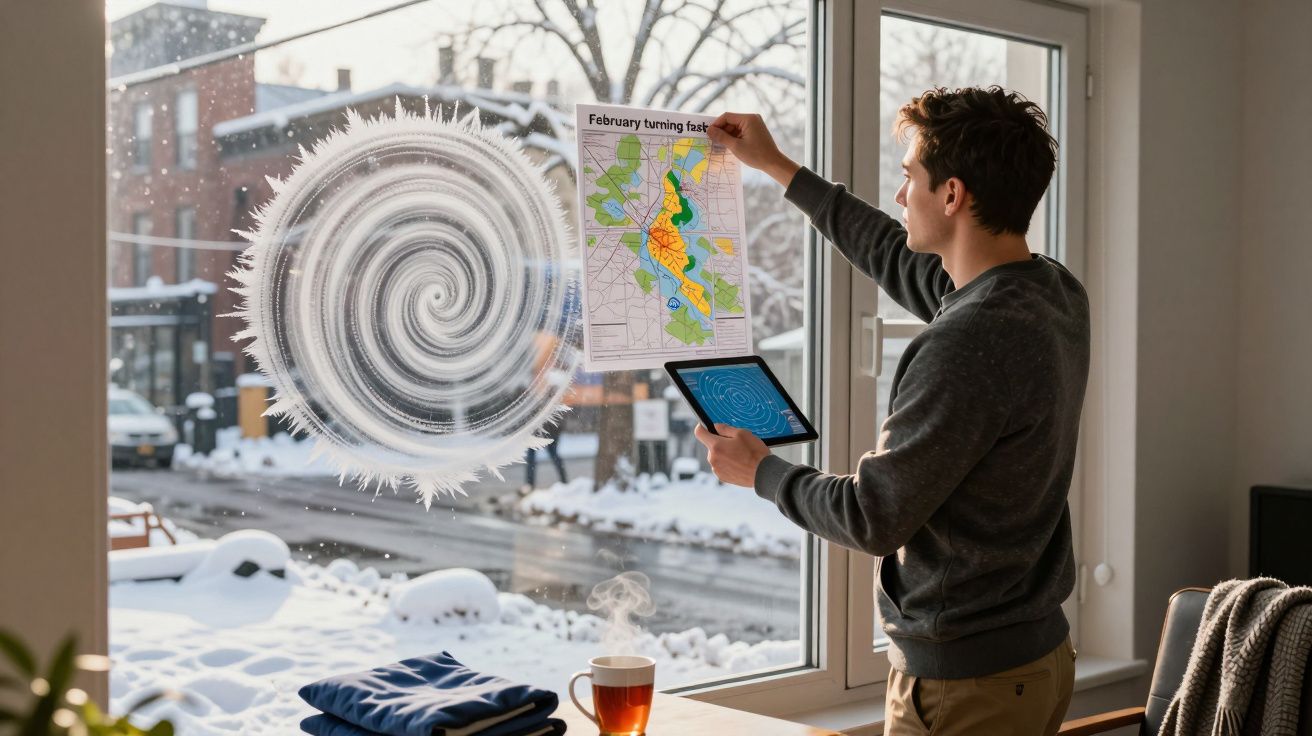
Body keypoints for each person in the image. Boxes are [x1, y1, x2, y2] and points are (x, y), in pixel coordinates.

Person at [696, 86, 1090, 736]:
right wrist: (778, 167)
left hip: (966, 686)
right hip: (1034, 658)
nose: (901, 195)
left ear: (953, 194)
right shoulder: (1051, 291)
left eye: (909, 176)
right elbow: (892, 253)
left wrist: (761, 472)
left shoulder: (967, 342)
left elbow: (873, 515)